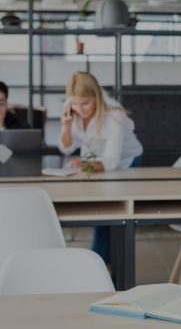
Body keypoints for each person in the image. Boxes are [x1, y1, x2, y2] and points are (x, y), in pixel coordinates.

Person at [58, 71, 143, 263]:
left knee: (114, 221)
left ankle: (101, 275)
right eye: (75, 104)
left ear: (96, 95)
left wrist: (85, 164)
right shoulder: (71, 107)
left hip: (127, 163)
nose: (80, 109)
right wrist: (65, 126)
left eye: (85, 103)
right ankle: (103, 275)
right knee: (103, 219)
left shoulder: (114, 114)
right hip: (93, 164)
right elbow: (66, 148)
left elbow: (112, 160)